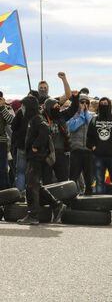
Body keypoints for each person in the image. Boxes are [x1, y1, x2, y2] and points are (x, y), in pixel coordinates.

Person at [17, 95, 65, 225]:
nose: (22, 108)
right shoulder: (32, 119)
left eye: (24, 106)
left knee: (31, 186)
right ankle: (56, 204)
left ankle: (33, 215)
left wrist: (35, 146)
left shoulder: (37, 119)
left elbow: (45, 129)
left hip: (36, 158)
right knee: (35, 185)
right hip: (34, 157)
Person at [87, 97, 112, 213]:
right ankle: (100, 206)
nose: (103, 105)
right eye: (101, 103)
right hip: (98, 156)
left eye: (106, 103)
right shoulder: (94, 119)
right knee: (99, 182)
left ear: (109, 104)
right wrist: (93, 147)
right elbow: (89, 137)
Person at [42, 73, 79, 183]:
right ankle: (47, 200)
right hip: (47, 153)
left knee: (63, 179)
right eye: (55, 106)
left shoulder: (61, 116)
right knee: (47, 180)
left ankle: (65, 200)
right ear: (48, 108)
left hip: (61, 152)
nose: (58, 107)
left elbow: (73, 108)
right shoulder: (41, 118)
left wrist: (76, 98)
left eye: (58, 106)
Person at [67, 94, 94, 195]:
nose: (84, 104)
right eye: (82, 102)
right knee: (73, 176)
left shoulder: (91, 115)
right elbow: (72, 127)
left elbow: (91, 124)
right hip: (76, 150)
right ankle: (71, 197)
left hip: (88, 151)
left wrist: (85, 113)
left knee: (89, 178)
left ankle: (89, 196)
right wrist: (81, 114)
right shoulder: (72, 115)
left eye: (86, 103)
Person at [0, 93, 14, 190]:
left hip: (2, 143)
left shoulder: (5, 108)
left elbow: (12, 121)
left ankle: (5, 191)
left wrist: (2, 108)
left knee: (2, 169)